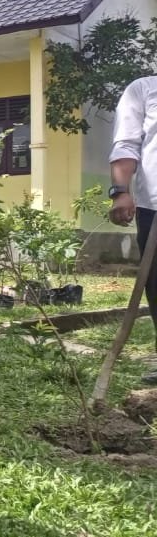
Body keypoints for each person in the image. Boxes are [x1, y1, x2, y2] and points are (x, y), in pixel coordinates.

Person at [108, 74, 157, 381]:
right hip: (155, 205)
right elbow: (126, 143)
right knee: (156, 283)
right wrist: (120, 190)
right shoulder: (144, 88)